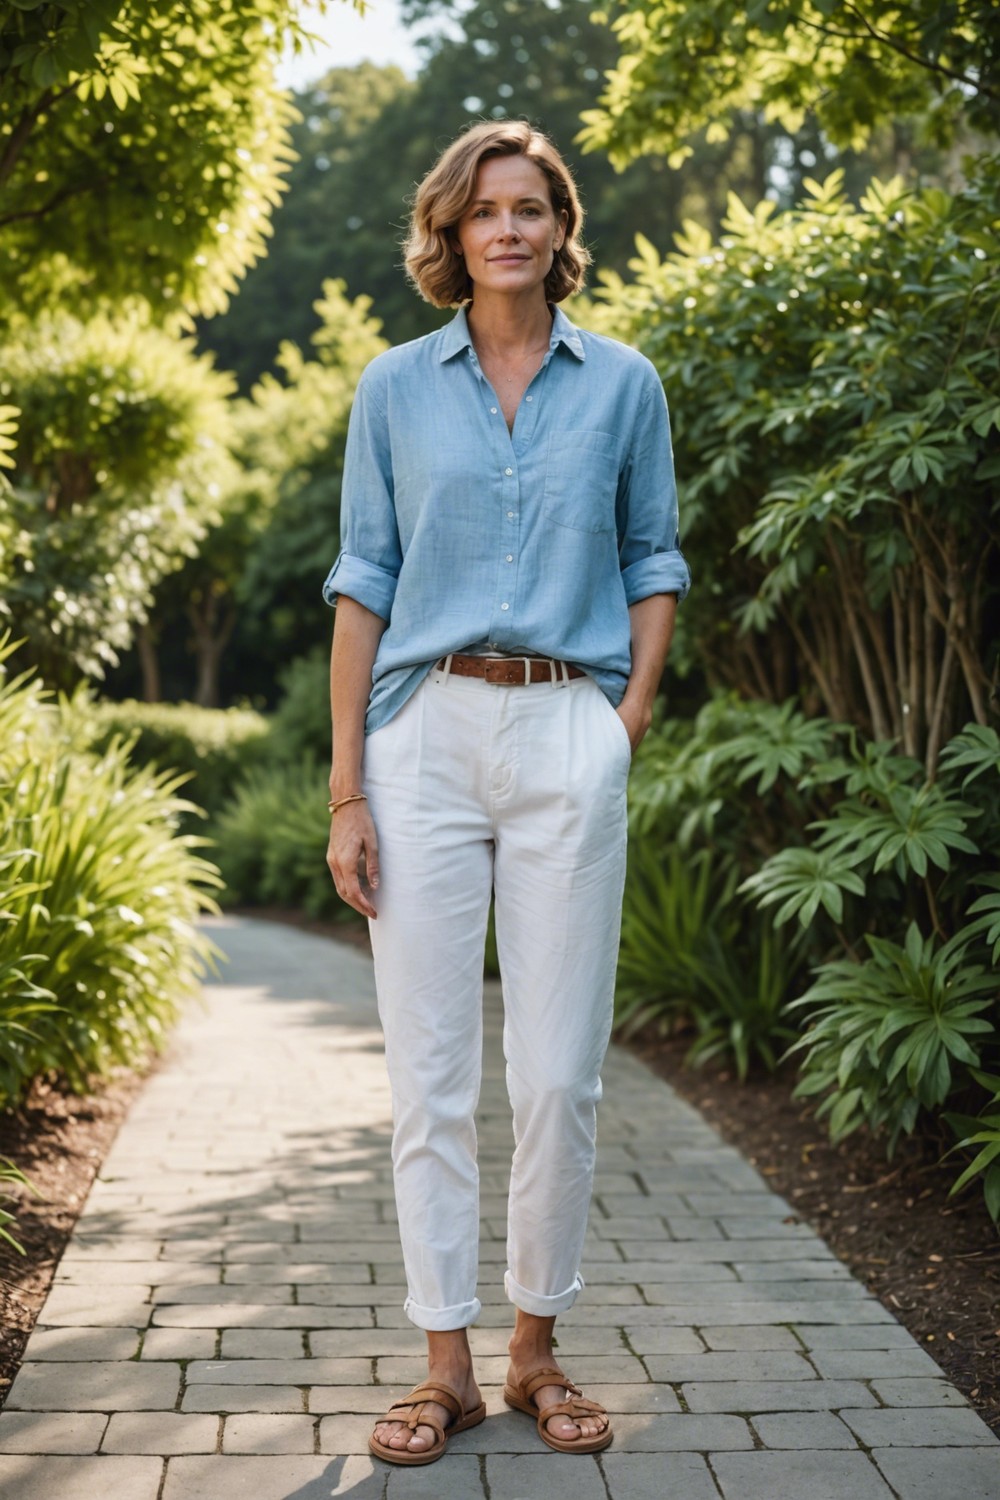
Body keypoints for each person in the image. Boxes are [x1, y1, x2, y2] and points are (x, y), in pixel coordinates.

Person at [323, 119, 690, 1467]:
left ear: (560, 229)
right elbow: (363, 584)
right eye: (486, 210)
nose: (510, 230)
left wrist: (624, 720)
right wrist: (348, 789)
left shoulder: (624, 384)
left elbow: (654, 556)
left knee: (559, 1077)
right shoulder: (392, 390)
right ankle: (446, 1366)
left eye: (531, 207)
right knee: (429, 1076)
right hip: (423, 735)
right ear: (451, 233)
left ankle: (536, 1351)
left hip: (566, 731)